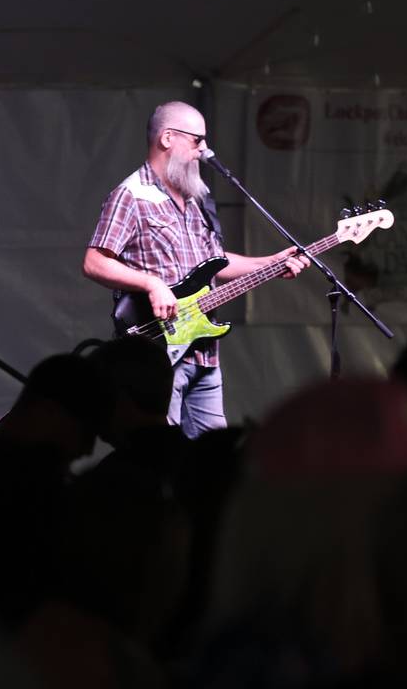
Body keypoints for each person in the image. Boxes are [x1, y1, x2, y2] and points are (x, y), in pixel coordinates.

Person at [82, 101, 308, 437]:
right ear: (168, 138)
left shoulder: (196, 200)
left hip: (204, 353)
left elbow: (216, 263)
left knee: (211, 464)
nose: (204, 150)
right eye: (197, 140)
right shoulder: (132, 195)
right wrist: (151, 284)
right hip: (159, 356)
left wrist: (272, 262)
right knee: (160, 455)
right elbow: (94, 262)